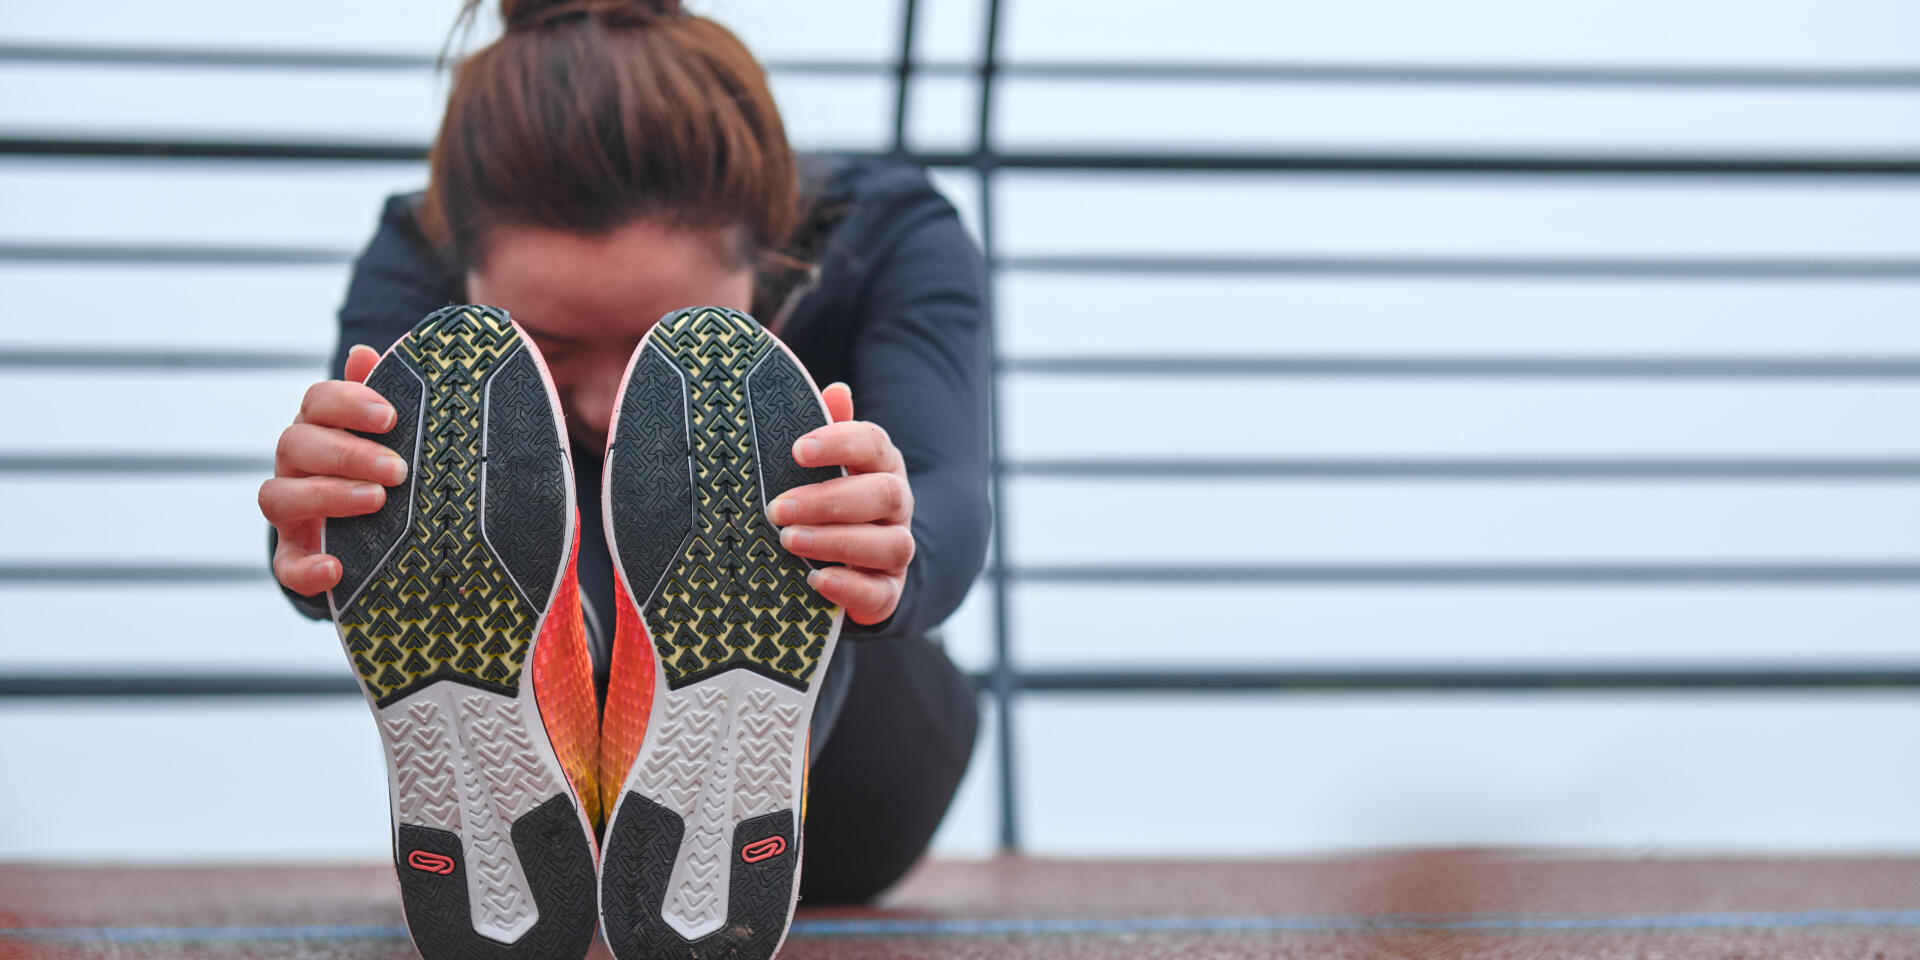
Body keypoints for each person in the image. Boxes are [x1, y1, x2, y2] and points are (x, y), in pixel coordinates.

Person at [257, 0, 988, 908]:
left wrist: (887, 543)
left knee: (780, 508)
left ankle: (729, 784)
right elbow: (349, 512)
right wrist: (317, 531)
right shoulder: (414, 254)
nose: (605, 404)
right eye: (554, 347)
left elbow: (950, 491)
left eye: (656, 352)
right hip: (569, 727)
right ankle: (562, 764)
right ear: (463, 262)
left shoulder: (888, 233)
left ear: (770, 257)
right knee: (426, 495)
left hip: (866, 771)